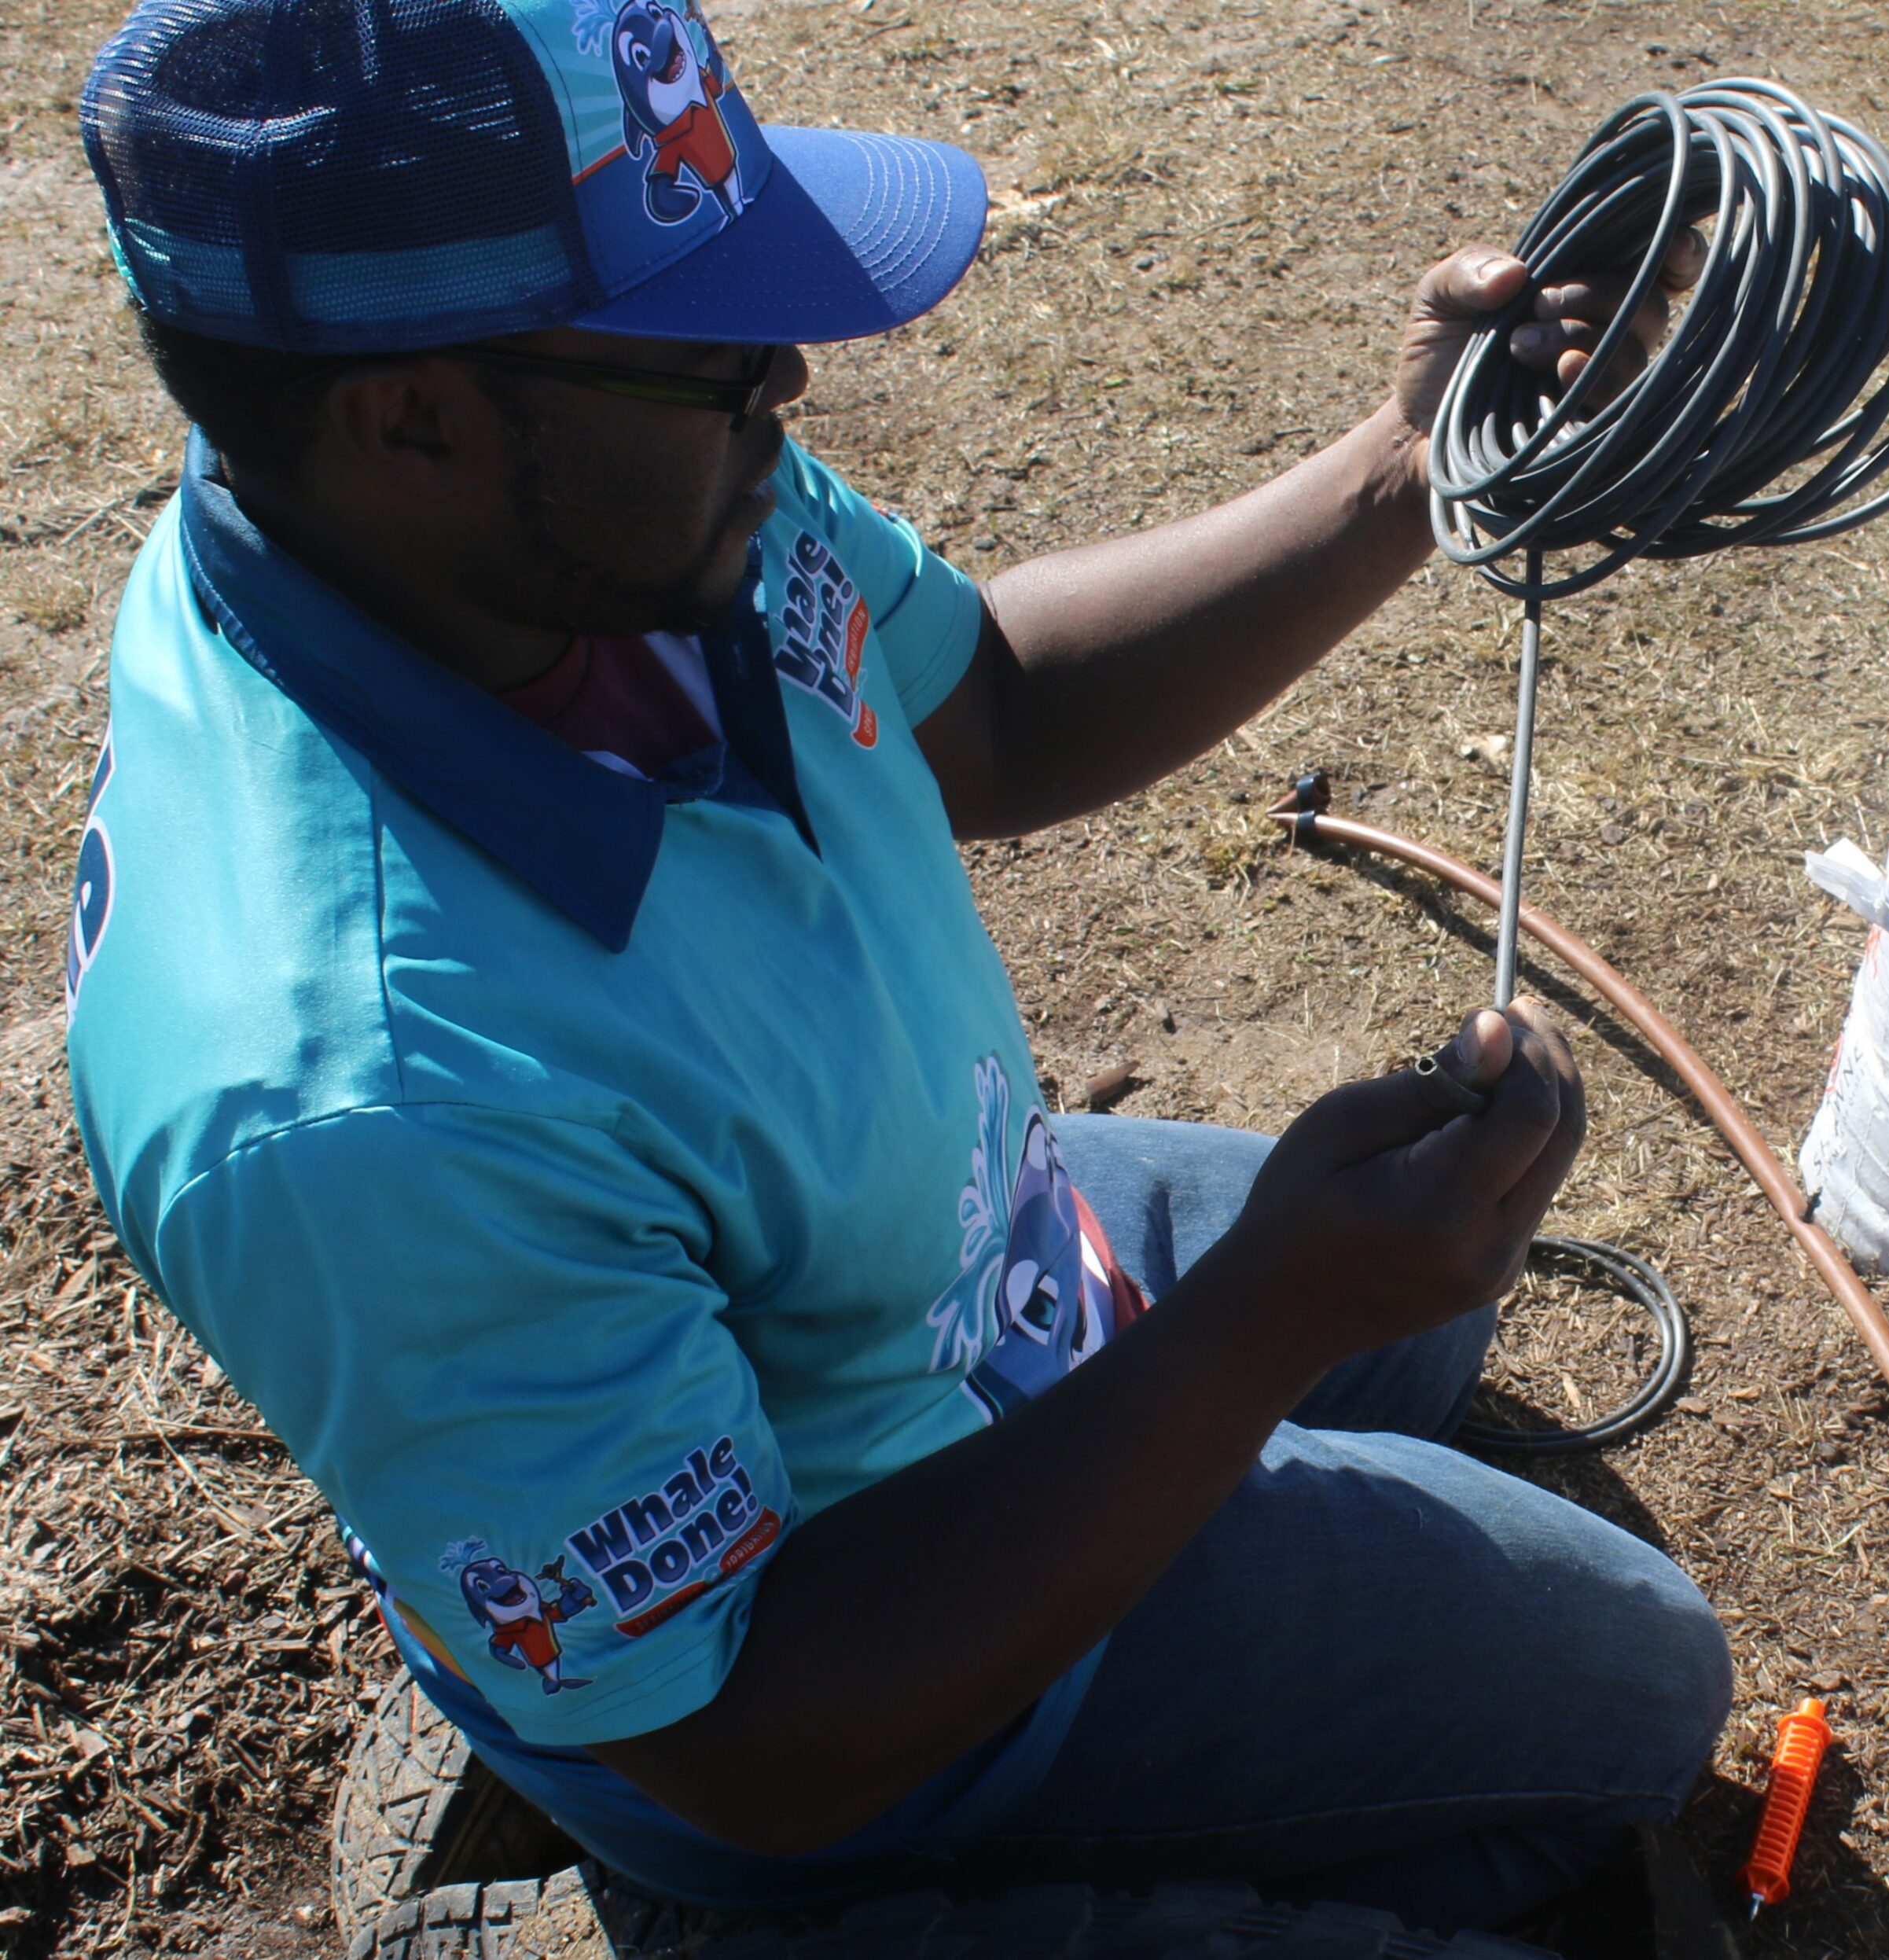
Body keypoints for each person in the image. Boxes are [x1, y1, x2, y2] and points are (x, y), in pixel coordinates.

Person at [67, 0, 1730, 1936]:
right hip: (834, 1662)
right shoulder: (366, 1098)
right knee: (1643, 1695)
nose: (784, 366)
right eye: (711, 342)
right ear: (414, 413)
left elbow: (993, 709)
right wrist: (1254, 1326)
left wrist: (1400, 462)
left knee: (1420, 1329)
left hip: (939, 1262)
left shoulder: (549, 525)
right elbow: (746, 1732)